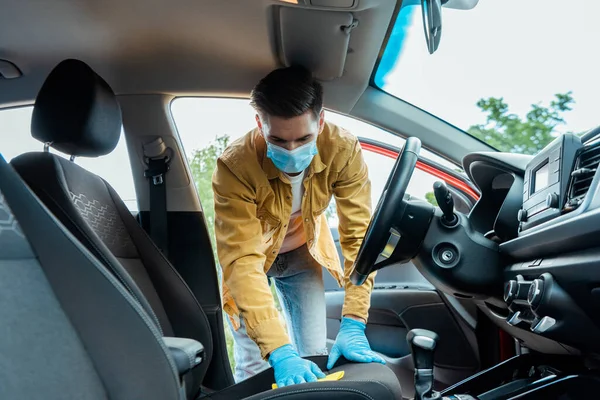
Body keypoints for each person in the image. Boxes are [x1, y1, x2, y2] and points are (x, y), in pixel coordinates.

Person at [212, 65, 384, 388]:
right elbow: (242, 261)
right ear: (260, 125)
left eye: (304, 138)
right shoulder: (234, 166)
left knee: (313, 353)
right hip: (253, 261)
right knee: (255, 363)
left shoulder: (343, 151)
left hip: (303, 253)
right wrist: (278, 351)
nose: (292, 151)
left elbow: (358, 238)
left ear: (320, 122)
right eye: (278, 140)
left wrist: (355, 320)